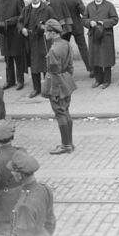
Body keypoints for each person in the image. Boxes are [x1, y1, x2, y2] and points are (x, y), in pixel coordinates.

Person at [42, 18, 77, 155]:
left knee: (60, 113)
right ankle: (69, 143)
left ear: (52, 33)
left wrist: (55, 91)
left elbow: (55, 73)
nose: (45, 34)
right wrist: (66, 79)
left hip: (57, 85)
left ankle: (65, 145)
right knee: (66, 112)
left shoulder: (53, 50)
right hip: (66, 82)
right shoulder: (65, 44)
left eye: (47, 31)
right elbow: (70, 66)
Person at [49, 0, 91, 76]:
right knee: (83, 48)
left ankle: (62, 70)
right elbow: (84, 12)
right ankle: (91, 70)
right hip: (76, 26)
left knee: (62, 48)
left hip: (63, 26)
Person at [8, 151, 56, 236]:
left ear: (20, 175)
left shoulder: (24, 207)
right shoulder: (45, 189)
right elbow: (51, 222)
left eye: (13, 171)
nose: (11, 173)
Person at [18, 0, 56, 98]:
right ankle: (36, 89)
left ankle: (48, 88)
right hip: (31, 41)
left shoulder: (47, 9)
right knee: (34, 66)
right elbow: (20, 22)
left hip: (44, 41)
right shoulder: (26, 9)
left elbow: (55, 22)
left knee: (46, 66)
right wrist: (22, 29)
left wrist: (45, 27)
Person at [84, 0, 119, 89]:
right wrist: (90, 22)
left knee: (106, 58)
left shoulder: (109, 6)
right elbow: (84, 19)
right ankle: (98, 79)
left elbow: (115, 19)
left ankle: (107, 80)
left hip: (106, 36)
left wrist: (103, 22)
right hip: (93, 36)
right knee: (95, 58)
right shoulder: (89, 6)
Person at [0, 0, 26, 91]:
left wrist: (9, 22)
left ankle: (20, 80)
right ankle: (10, 80)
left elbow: (22, 17)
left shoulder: (18, 0)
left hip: (15, 35)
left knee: (18, 59)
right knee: (7, 60)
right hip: (4, 35)